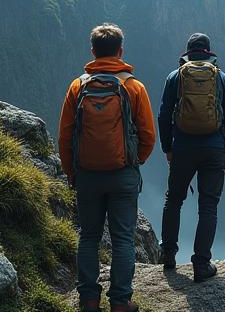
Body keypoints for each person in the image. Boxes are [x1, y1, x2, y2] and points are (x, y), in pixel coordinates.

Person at [58, 23, 156, 312]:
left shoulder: (78, 86)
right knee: (122, 238)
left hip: (87, 174)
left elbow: (65, 135)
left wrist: (72, 171)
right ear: (120, 51)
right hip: (122, 174)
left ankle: (89, 300)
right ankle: (120, 302)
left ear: (93, 51)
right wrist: (133, 160)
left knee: (88, 236)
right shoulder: (133, 87)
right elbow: (148, 135)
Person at [158, 33, 225, 282]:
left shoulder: (175, 77)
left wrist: (167, 147)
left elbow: (163, 115)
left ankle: (169, 255)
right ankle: (201, 265)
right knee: (208, 206)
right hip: (214, 149)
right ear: (208, 52)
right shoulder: (222, 78)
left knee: (174, 200)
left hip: (182, 147)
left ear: (188, 53)